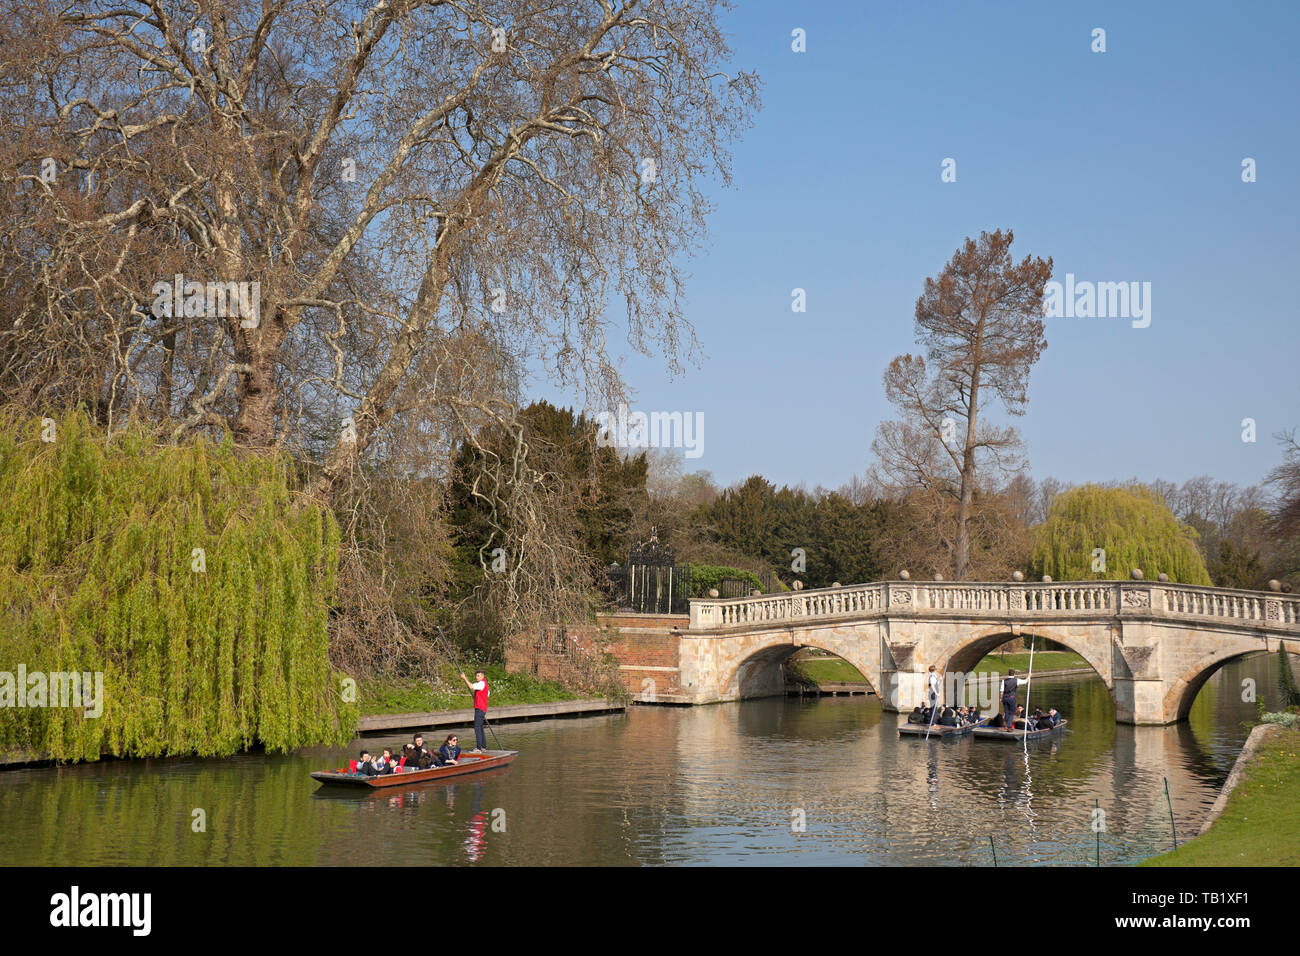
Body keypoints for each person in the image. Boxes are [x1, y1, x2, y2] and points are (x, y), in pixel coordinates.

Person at [460, 669, 491, 752]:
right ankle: (483, 747)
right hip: (482, 708)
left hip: (480, 709)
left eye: (478, 676)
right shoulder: (485, 684)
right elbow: (488, 694)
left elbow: (471, 686)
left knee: (477, 728)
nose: (476, 677)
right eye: (476, 675)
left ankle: (478, 748)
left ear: (482, 676)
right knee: (480, 728)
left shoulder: (481, 684)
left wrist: (464, 678)